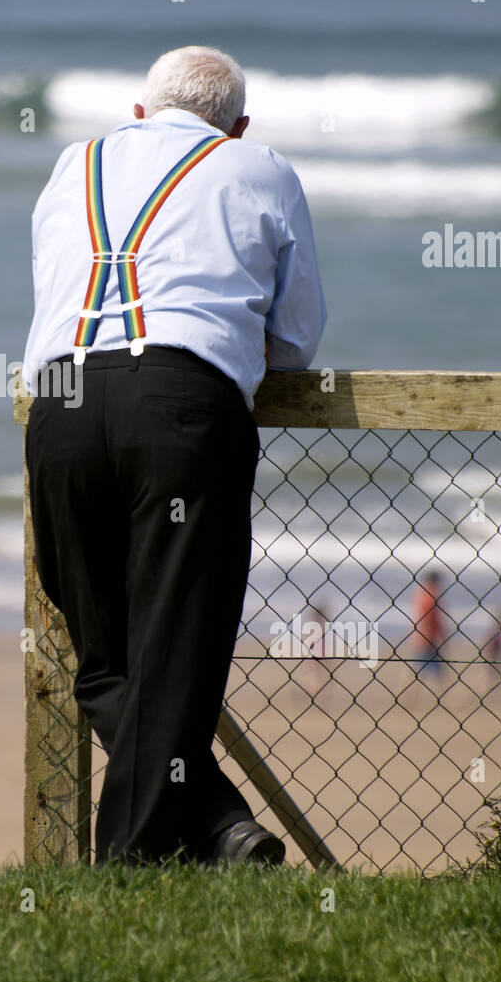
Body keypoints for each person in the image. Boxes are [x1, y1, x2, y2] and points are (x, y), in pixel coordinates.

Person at [22, 46, 327, 867]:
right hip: (184, 404)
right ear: (239, 125)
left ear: (139, 113)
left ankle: (204, 840)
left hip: (62, 407)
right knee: (177, 643)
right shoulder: (258, 167)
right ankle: (142, 862)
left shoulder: (72, 164)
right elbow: (295, 342)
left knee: (102, 659)